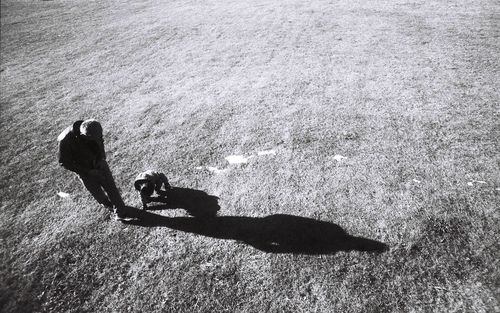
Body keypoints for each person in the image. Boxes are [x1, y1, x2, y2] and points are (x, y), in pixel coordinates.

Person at [57, 119, 127, 219]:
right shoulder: (65, 140)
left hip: (99, 163)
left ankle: (120, 212)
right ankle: (108, 205)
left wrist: (101, 158)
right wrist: (87, 171)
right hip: (84, 170)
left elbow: (100, 141)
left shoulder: (93, 127)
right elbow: (64, 162)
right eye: (93, 139)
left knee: (111, 188)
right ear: (84, 136)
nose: (98, 139)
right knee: (98, 194)